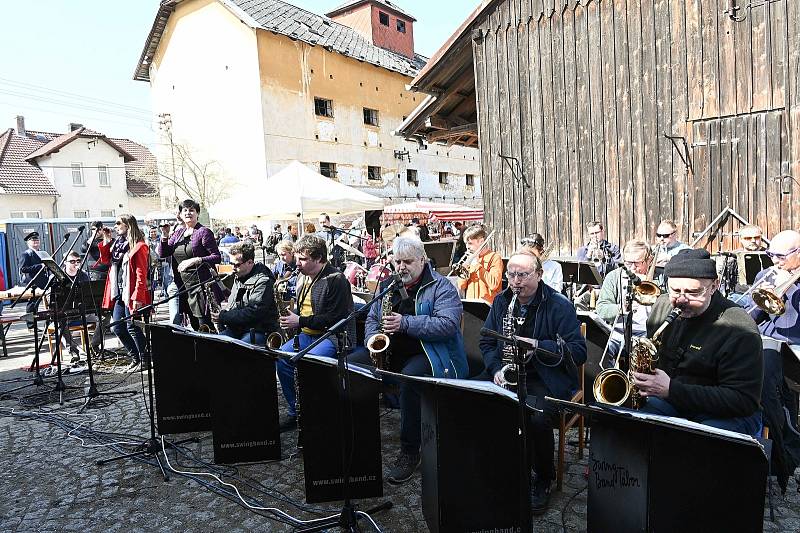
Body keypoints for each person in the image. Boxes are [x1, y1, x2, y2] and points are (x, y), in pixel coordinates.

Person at [349, 236, 468, 484]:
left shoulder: (442, 287)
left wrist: (405, 323)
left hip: (431, 353)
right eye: (397, 262)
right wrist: (373, 340)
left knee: (409, 380)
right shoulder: (387, 285)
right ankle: (357, 440)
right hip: (390, 351)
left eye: (407, 262)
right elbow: (372, 317)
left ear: (422, 260)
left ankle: (410, 451)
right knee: (351, 366)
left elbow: (447, 326)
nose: (401, 267)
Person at [480, 250, 587, 514]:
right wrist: (495, 369)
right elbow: (487, 341)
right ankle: (503, 468)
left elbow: (579, 351)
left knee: (537, 418)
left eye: (523, 275)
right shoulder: (501, 301)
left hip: (546, 377)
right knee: (475, 401)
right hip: (507, 372)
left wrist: (539, 346)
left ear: (539, 275)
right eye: (511, 275)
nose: (515, 281)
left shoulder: (559, 305)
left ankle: (542, 478)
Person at [633, 249, 762, 436]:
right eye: (675, 290)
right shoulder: (663, 305)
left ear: (714, 286)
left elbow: (743, 401)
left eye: (693, 292)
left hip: (725, 414)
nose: (682, 300)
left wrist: (672, 390)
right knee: (627, 424)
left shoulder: (739, 328)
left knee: (697, 445)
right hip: (674, 401)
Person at [274, 234, 354, 431]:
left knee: (308, 365)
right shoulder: (302, 277)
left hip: (332, 336)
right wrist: (294, 318)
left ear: (318, 258)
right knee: (282, 359)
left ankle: (318, 414)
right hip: (308, 333)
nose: (298, 263)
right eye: (298, 258)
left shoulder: (336, 279)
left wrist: (299, 320)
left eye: (303, 259)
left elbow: (334, 318)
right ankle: (297, 412)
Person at [158, 199, 223, 332]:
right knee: (194, 326)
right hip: (183, 287)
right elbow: (163, 253)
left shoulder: (203, 232)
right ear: (180, 215)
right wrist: (164, 235)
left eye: (192, 210)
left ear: (197, 213)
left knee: (204, 326)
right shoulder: (178, 233)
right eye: (185, 210)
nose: (188, 213)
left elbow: (217, 257)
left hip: (201, 288)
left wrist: (196, 260)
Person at [98, 214, 151, 370]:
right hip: (120, 291)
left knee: (132, 326)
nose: (115, 226)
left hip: (131, 291)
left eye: (118, 223)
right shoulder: (117, 245)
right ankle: (135, 358)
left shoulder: (139, 246)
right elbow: (106, 260)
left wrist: (137, 296)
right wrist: (107, 240)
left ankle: (144, 360)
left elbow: (141, 273)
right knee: (117, 327)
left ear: (128, 225)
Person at [595, 240, 655, 363]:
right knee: (599, 352)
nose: (632, 268)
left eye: (637, 263)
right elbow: (601, 308)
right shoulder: (613, 277)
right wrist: (622, 308)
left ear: (649, 260)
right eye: (628, 262)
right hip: (618, 332)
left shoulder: (660, 278)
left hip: (647, 334)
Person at [212, 242, 279, 345]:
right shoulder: (240, 276)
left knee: (241, 350)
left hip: (259, 330)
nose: (233, 268)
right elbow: (233, 305)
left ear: (250, 262)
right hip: (238, 328)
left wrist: (223, 317)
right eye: (231, 264)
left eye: (237, 264)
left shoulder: (264, 280)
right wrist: (224, 314)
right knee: (213, 343)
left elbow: (254, 313)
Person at [54, 251, 98, 364]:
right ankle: (73, 351)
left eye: (78, 261)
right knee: (60, 324)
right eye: (72, 261)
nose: (75, 264)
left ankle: (94, 346)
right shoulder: (58, 277)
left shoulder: (83, 276)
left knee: (104, 317)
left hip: (83, 311)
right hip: (65, 312)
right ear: (65, 263)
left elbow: (89, 295)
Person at [458, 224, 503, 304]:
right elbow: (461, 286)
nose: (467, 247)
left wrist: (477, 265)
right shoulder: (469, 259)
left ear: (481, 241)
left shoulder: (495, 257)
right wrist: (464, 270)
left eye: (470, 243)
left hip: (488, 306)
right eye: (466, 244)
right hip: (471, 304)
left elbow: (494, 284)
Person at [18, 231, 48, 329]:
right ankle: (31, 326)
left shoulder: (42, 253)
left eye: (37, 240)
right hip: (33, 282)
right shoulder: (26, 254)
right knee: (32, 305)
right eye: (33, 240)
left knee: (48, 302)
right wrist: (39, 266)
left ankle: (49, 323)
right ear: (28, 242)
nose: (36, 242)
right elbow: (23, 269)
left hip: (43, 281)